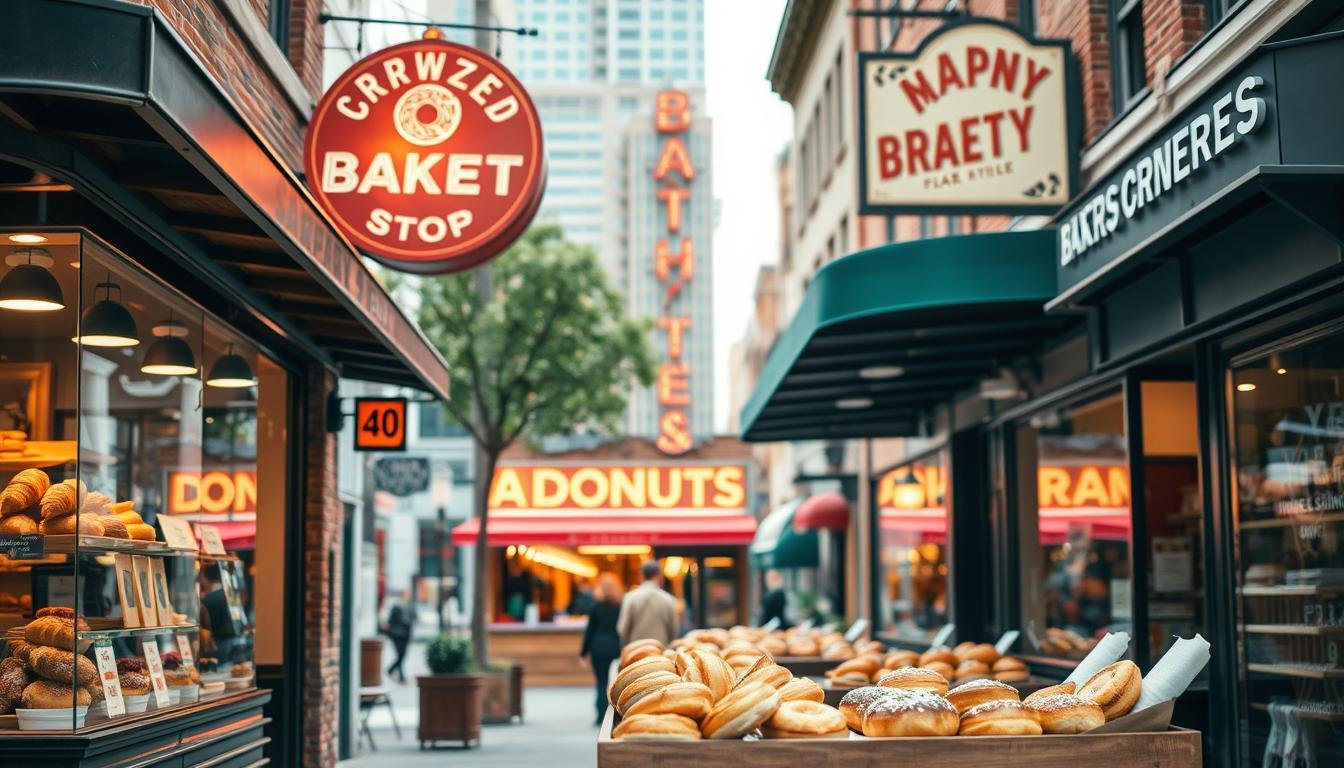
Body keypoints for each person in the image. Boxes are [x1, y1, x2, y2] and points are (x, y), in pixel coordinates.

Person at [579, 573, 623, 725]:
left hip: (597, 649)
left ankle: (600, 714)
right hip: (614, 647)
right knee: (612, 682)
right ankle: (610, 713)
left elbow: (589, 632)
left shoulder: (595, 607)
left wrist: (583, 654)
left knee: (600, 681)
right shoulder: (620, 606)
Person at [617, 560, 679, 646]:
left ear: (641, 575)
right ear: (659, 575)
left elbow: (623, 629)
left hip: (636, 652)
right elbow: (673, 630)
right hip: (661, 653)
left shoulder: (630, 598)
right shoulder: (669, 599)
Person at [382, 589, 414, 683]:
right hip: (397, 634)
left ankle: (394, 672)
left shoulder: (409, 606)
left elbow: (413, 618)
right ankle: (397, 674)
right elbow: (392, 620)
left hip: (405, 634)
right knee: (400, 655)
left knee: (402, 655)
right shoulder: (397, 606)